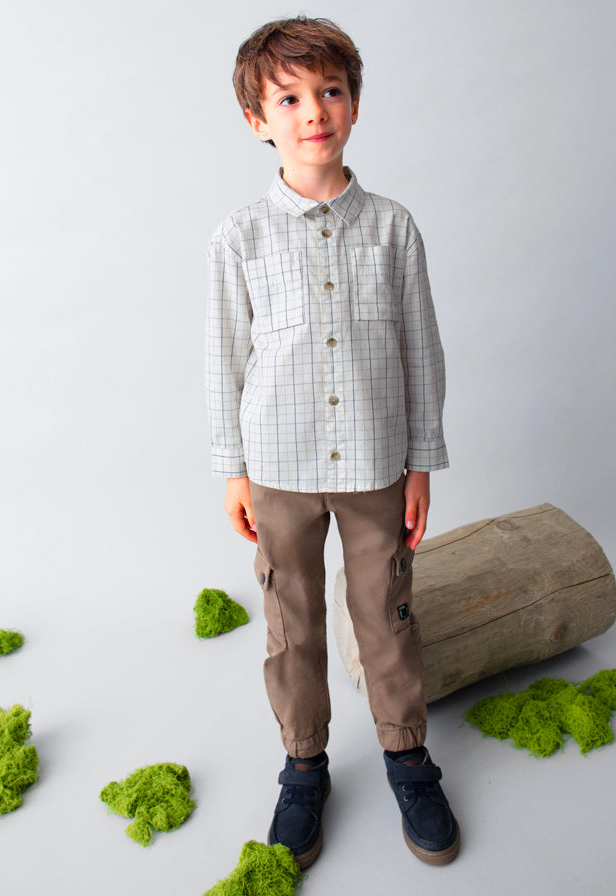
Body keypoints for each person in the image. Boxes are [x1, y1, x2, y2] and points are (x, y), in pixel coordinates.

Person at [205, 16, 459, 869]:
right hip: (277, 469)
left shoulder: (393, 227)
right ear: (257, 120)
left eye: (330, 91)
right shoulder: (240, 236)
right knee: (292, 619)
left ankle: (407, 757)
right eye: (289, 98)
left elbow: (422, 348)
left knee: (386, 613)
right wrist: (233, 471)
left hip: (376, 462)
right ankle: (304, 764)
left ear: (353, 103)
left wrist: (421, 462)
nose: (313, 110)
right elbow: (224, 357)